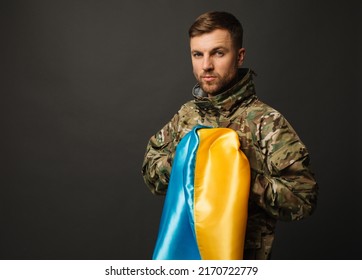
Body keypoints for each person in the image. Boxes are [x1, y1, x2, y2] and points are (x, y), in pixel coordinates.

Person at [142, 11, 318, 260]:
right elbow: (151, 174)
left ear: (239, 56)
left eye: (218, 53)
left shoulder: (267, 123)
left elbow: (303, 199)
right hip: (185, 258)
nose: (206, 65)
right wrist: (189, 164)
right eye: (197, 54)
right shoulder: (186, 116)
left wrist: (240, 178)